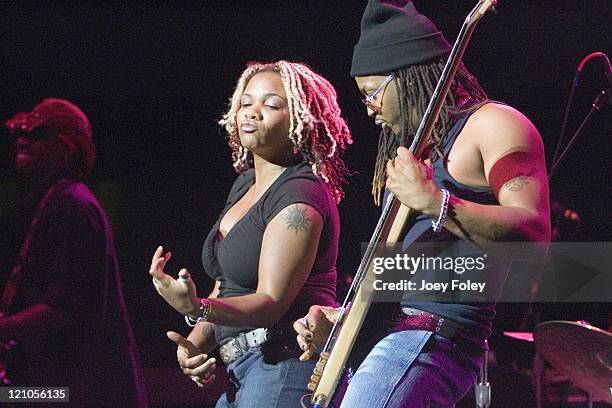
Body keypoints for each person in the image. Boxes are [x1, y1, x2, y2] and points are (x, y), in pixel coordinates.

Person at [294, 1, 551, 407]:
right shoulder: (417, 157)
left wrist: (435, 203)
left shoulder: (494, 125)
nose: (369, 109)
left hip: (433, 338)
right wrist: (345, 323)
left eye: (371, 94)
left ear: (408, 76)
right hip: (391, 338)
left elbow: (535, 233)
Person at [148, 60, 352, 407]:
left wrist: (198, 307)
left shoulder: (300, 197)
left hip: (286, 364)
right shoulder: (245, 185)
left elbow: (270, 303)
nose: (252, 112)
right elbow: (229, 288)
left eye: (271, 105)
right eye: (245, 102)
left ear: (302, 120)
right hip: (245, 368)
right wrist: (195, 344)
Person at [0, 98, 148, 406]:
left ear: (67, 149)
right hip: (59, 389)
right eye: (22, 133)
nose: (23, 140)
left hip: (77, 392)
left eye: (38, 134)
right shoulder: (54, 202)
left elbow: (65, 309)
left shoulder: (72, 205)